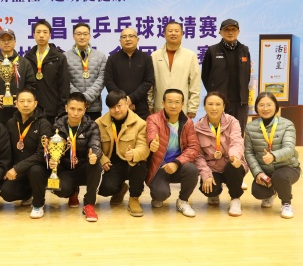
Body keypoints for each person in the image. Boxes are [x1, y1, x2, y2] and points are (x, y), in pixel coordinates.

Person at [245, 92, 301, 219]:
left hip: (288, 167)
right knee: (257, 191)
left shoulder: (287, 124)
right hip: (266, 170)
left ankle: (286, 203)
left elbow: (289, 148)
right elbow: (248, 153)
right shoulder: (250, 127)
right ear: (256, 107)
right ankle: (273, 191)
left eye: (269, 105)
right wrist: (258, 173)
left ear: (276, 107)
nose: (265, 108)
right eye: (261, 105)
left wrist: (274, 156)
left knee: (280, 176)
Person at [146, 89, 200, 217]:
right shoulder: (153, 119)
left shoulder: (188, 122)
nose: (173, 106)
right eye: (169, 102)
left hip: (178, 165)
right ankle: (158, 195)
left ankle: (183, 200)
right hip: (159, 166)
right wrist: (152, 142)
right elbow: (151, 133)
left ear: (182, 104)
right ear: (163, 103)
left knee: (192, 169)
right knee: (160, 194)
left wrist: (176, 163)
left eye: (177, 102)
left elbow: (193, 147)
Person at [50, 92, 103, 222]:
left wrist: (94, 155)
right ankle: (73, 191)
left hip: (84, 166)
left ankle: (89, 204)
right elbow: (51, 150)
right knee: (60, 189)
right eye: (72, 108)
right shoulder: (56, 126)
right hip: (66, 168)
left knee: (96, 164)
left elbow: (96, 145)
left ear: (85, 110)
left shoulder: (92, 126)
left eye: (79, 110)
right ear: (66, 108)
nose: (75, 113)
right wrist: (53, 160)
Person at [194, 92, 248, 217]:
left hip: (231, 163)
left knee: (233, 168)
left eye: (218, 104)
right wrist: (206, 174)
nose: (214, 108)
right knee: (209, 190)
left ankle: (235, 199)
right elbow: (198, 155)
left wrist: (235, 156)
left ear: (224, 106)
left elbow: (237, 141)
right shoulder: (197, 128)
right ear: (205, 106)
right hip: (213, 167)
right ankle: (214, 194)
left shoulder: (232, 122)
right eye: (210, 104)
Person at [96, 90, 149, 217]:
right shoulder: (99, 123)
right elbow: (94, 145)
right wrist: (102, 159)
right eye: (112, 107)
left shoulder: (140, 123)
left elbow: (144, 147)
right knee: (103, 189)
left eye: (119, 105)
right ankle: (120, 189)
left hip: (132, 163)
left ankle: (134, 198)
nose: (116, 110)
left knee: (140, 164)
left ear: (127, 104)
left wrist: (134, 153)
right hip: (112, 165)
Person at [0, 88, 51, 219]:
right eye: (22, 101)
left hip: (38, 168)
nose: (26, 104)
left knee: (35, 170)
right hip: (19, 170)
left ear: (35, 103)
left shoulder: (43, 124)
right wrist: (7, 169)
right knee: (6, 193)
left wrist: (17, 168)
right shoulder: (11, 123)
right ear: (16, 104)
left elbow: (41, 154)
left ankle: (38, 204)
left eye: (29, 101)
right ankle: (29, 194)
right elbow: (7, 150)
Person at [201, 19, 251, 135]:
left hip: (240, 102)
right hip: (219, 102)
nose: (230, 32)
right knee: (218, 134)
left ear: (238, 32)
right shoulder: (212, 51)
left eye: (233, 29)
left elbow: (247, 75)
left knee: (237, 134)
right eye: (227, 30)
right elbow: (205, 76)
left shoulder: (244, 50)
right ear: (220, 32)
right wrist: (214, 93)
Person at [0, 28, 37, 124]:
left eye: (9, 39)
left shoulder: (24, 63)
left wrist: (20, 97)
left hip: (20, 111)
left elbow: (31, 85)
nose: (6, 42)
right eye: (3, 40)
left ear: (15, 42)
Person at [150, 21, 201, 119]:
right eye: (170, 31)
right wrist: (149, 104)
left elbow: (195, 84)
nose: (173, 33)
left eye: (176, 31)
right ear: (164, 34)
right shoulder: (155, 55)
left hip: (182, 109)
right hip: (160, 108)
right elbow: (150, 83)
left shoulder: (190, 55)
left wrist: (193, 108)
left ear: (182, 34)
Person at [25, 19, 70, 124]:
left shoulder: (59, 58)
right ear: (33, 35)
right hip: (32, 110)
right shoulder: (27, 58)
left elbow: (64, 86)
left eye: (45, 32)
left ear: (50, 35)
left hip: (53, 112)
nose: (41, 35)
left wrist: (61, 111)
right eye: (38, 32)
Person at [104, 27, 154, 120]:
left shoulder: (146, 58)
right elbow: (108, 81)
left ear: (137, 39)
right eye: (124, 37)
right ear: (120, 41)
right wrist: (123, 100)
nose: (127, 39)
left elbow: (148, 81)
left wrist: (131, 99)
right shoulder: (112, 59)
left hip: (141, 107)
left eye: (131, 36)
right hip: (118, 108)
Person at [65, 22, 107, 121]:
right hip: (73, 107)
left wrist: (86, 98)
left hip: (94, 107)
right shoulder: (65, 57)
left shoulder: (100, 56)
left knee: (94, 130)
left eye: (85, 34)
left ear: (90, 36)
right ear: (73, 36)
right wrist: (79, 99)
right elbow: (65, 81)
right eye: (78, 34)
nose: (82, 37)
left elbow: (102, 79)